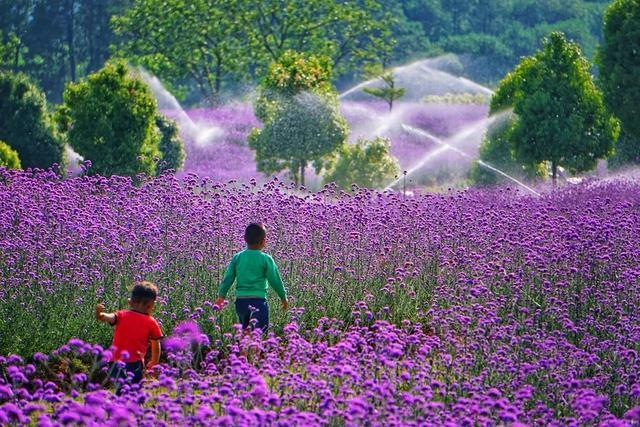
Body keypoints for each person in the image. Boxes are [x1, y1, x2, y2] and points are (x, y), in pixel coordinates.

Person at [215, 223, 288, 333]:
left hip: (241, 302)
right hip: (258, 301)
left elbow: (228, 279)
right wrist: (283, 297)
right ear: (264, 241)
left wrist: (221, 296)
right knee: (258, 333)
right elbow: (275, 280)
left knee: (245, 331)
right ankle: (254, 350)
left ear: (244, 239)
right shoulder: (266, 259)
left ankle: (243, 350)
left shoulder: (238, 257)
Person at [95, 281, 163, 389]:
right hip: (134, 363)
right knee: (134, 389)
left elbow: (109, 317)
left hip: (115, 361)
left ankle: (120, 404)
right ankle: (130, 405)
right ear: (151, 305)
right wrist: (154, 360)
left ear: (130, 302)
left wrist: (100, 314)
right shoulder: (151, 321)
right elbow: (156, 343)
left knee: (122, 388)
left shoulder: (122, 315)